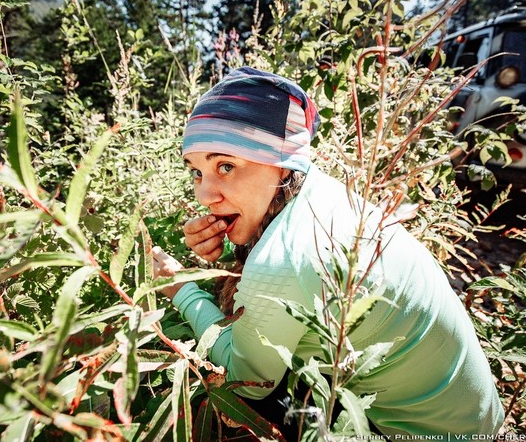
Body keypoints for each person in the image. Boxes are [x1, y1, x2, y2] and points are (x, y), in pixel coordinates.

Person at [152, 66, 505, 438]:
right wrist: (229, 248)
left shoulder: (283, 259)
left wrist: (183, 288)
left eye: (226, 165)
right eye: (196, 172)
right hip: (475, 418)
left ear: (283, 163)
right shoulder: (321, 193)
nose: (204, 196)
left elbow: (247, 378)